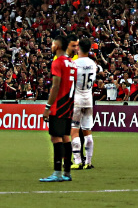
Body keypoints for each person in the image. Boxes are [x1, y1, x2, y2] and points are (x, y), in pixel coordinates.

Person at [39, 32, 77, 183]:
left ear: (58, 45)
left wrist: (48, 107)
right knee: (66, 136)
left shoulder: (57, 62)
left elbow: (55, 86)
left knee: (55, 137)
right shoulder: (72, 62)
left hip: (58, 104)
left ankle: (57, 173)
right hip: (69, 104)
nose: (51, 46)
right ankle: (67, 172)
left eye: (53, 43)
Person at [70, 36, 100, 170]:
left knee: (74, 131)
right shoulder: (93, 64)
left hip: (77, 100)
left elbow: (71, 83)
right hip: (89, 100)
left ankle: (77, 161)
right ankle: (88, 161)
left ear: (78, 48)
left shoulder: (74, 64)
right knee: (88, 131)